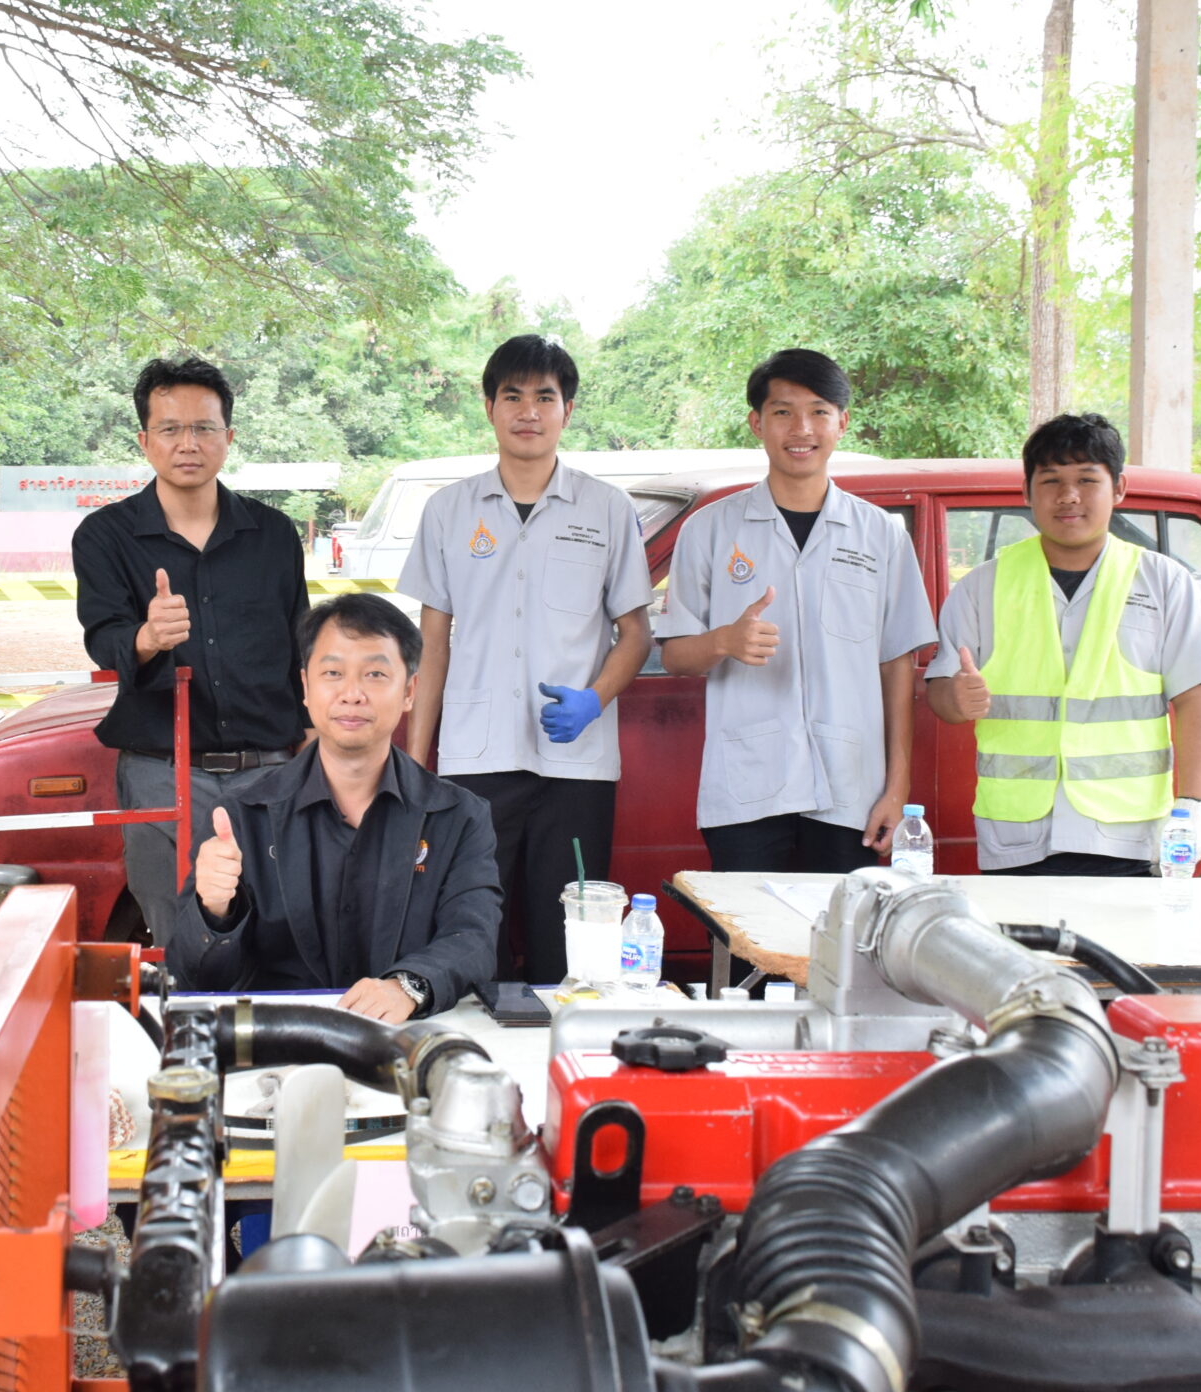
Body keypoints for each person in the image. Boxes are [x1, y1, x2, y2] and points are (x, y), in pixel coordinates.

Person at [400, 334, 653, 984]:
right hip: (474, 760)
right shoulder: (448, 511)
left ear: (567, 409)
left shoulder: (607, 508)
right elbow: (432, 644)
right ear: (489, 406)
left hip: (576, 769)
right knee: (471, 929)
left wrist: (595, 698)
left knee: (567, 945)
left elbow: (637, 632)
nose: (529, 411)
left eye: (545, 396)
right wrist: (419, 763)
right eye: (512, 395)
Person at [655, 349, 937, 873]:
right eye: (783, 411)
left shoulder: (880, 535)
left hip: (851, 788)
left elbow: (896, 665)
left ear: (842, 423)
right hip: (747, 789)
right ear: (756, 423)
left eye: (819, 411)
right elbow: (675, 657)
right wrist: (723, 642)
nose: (801, 428)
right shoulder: (711, 530)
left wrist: (896, 789)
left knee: (838, 947)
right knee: (750, 949)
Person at [925, 412, 1201, 875]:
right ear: (1027, 492)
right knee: (1019, 949)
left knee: (1121, 950)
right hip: (1017, 835)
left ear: (1119, 489)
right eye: (1050, 480)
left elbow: (1196, 702)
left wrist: (1191, 810)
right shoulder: (982, 586)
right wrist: (956, 697)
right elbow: (940, 694)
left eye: (1086, 480)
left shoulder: (1162, 582)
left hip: (1125, 837)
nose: (1068, 496)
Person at [178, 592, 501, 1021]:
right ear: (306, 689)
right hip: (281, 1048)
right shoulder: (240, 817)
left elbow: (474, 938)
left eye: (374, 674)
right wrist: (213, 913)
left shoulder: (458, 817)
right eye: (333, 672)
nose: (352, 694)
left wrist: (409, 984)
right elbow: (194, 977)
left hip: (406, 1038)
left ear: (409, 691)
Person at [75, 356, 308, 949]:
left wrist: (310, 736)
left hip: (271, 770)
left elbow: (299, 640)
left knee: (281, 929)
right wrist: (146, 637)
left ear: (228, 438)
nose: (189, 443)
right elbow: (102, 637)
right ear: (145, 440)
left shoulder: (273, 535)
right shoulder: (105, 537)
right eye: (171, 428)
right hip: (162, 770)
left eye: (204, 428)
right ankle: (183, 1037)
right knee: (180, 939)